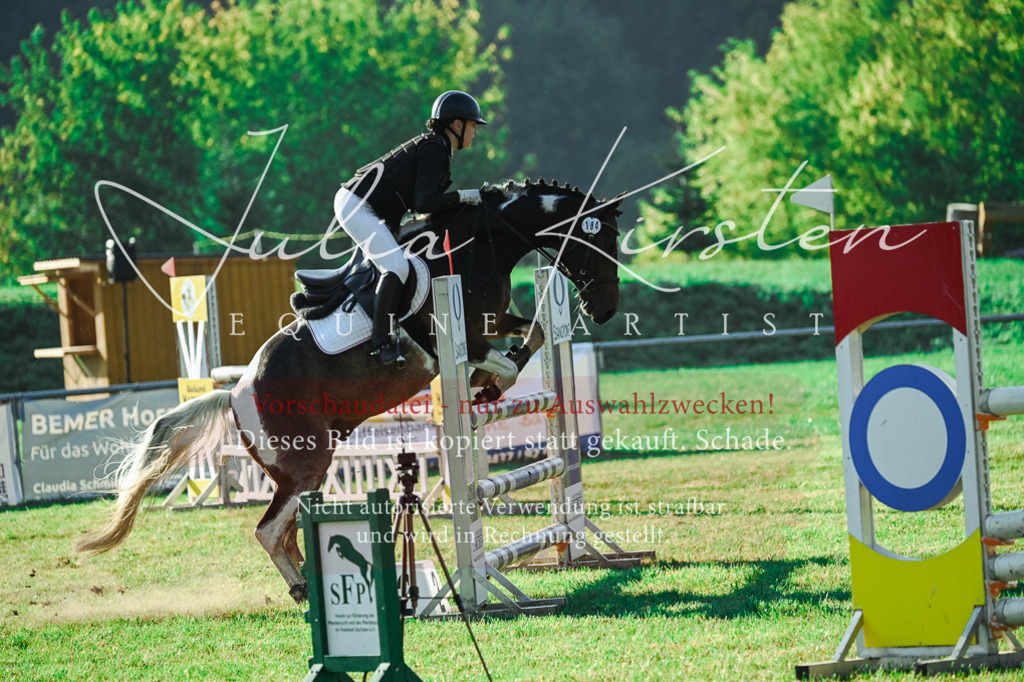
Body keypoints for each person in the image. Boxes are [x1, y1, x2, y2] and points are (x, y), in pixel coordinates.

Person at [334, 90, 486, 367]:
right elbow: (424, 202)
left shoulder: (439, 148)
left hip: (372, 208)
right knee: (397, 267)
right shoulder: (435, 148)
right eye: (473, 124)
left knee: (405, 263)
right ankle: (380, 345)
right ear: (456, 124)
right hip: (357, 204)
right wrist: (464, 196)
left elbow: (422, 206)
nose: (476, 131)